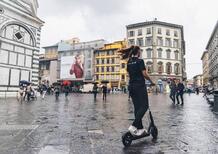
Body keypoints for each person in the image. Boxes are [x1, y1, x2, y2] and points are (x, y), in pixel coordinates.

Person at [119, 45, 155, 136]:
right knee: (145, 106)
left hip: (131, 86)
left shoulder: (129, 62)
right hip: (139, 86)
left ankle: (140, 129)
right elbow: (144, 74)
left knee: (137, 108)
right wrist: (151, 81)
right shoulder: (140, 61)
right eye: (140, 51)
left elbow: (130, 74)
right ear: (138, 52)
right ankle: (134, 126)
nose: (141, 53)